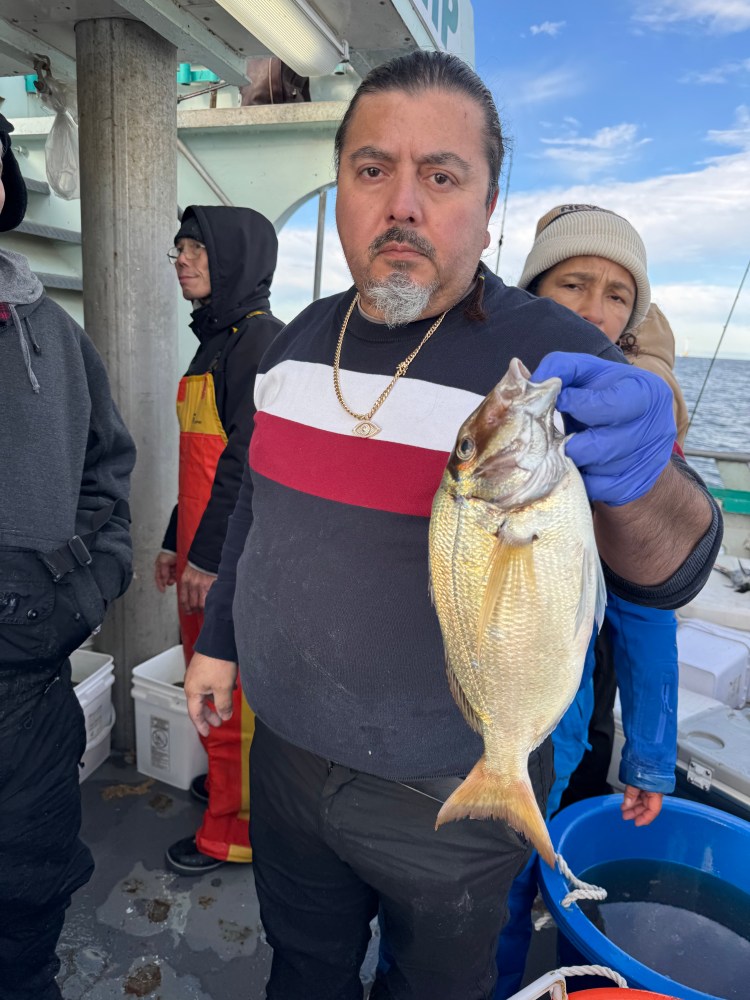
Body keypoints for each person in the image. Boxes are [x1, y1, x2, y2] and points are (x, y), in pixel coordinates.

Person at [184, 53, 722, 1000]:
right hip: (289, 761)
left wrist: (644, 482)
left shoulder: (559, 353)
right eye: (371, 169)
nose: (403, 204)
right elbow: (260, 511)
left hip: (458, 789)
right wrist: (219, 645)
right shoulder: (294, 340)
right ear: (340, 190)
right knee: (302, 969)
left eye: (441, 175)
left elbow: (673, 569)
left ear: (488, 206)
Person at [494, 203, 686, 998]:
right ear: (532, 288)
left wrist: (647, 755)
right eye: (573, 283)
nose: (594, 310)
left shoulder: (630, 430)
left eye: (616, 295)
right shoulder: (493, 396)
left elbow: (648, 608)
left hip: (553, 705)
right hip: (441, 690)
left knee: (502, 877)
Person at [0, 113, 135, 1000]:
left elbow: (109, 472)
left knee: (29, 883)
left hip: (27, 685)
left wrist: (85, 589)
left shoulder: (54, 333)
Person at [154, 205, 283, 875]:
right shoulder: (215, 339)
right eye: (178, 249)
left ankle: (232, 832)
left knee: (229, 694)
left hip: (230, 560)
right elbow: (196, 459)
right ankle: (226, 788)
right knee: (204, 684)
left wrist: (208, 558)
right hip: (202, 554)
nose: (182, 260)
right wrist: (176, 539)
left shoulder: (261, 343)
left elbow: (245, 466)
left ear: (235, 259)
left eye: (196, 250)